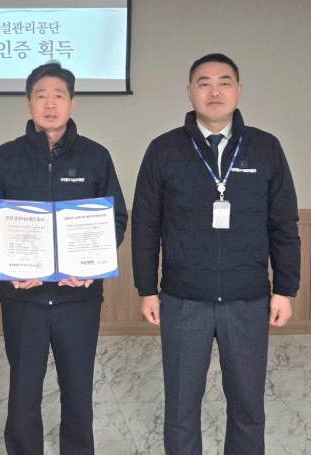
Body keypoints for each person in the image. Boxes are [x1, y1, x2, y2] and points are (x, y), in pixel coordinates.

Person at [132, 53, 300, 455]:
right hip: (182, 300)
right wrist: (147, 289)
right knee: (180, 411)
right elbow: (145, 226)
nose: (214, 91)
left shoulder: (265, 147)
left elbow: (283, 224)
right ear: (189, 92)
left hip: (248, 300)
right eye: (203, 83)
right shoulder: (164, 149)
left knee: (248, 409)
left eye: (224, 82)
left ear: (238, 91)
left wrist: (285, 289)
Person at [0, 62, 128, 454]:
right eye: (41, 95)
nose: (50, 103)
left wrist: (93, 267)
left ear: (72, 103)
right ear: (28, 103)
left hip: (78, 298)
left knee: (78, 391)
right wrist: (9, 265)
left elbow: (116, 218)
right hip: (22, 298)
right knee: (23, 392)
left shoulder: (95, 156)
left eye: (59, 95)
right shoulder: (6, 156)